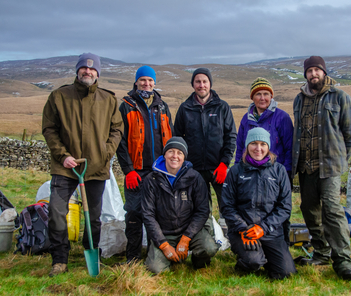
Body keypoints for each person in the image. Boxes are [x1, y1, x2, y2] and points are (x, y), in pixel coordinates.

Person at [42, 53, 123, 277]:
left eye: (92, 69)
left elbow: (117, 129)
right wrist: (62, 155)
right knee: (57, 212)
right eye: (84, 69)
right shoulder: (59, 96)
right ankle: (59, 259)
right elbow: (49, 129)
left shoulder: (108, 99)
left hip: (95, 167)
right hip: (65, 166)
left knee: (93, 216)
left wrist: (106, 152)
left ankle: (91, 252)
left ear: (98, 73)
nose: (88, 72)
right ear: (77, 71)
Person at [291, 56, 351, 280]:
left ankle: (343, 261)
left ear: (324, 72)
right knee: (309, 210)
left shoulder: (340, 97)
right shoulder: (299, 100)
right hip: (306, 167)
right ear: (305, 75)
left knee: (332, 211)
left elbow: (350, 134)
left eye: (316, 70)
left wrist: (339, 160)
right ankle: (321, 252)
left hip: (329, 167)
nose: (313, 74)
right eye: (309, 71)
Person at [221, 128, 296, 279]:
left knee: (286, 273)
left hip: (271, 231)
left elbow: (285, 207)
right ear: (247, 146)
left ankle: (267, 256)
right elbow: (226, 206)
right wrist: (242, 229)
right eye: (254, 143)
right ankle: (247, 262)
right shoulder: (235, 171)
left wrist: (264, 228)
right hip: (244, 231)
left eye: (263, 144)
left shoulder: (279, 171)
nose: (258, 148)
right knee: (253, 262)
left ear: (268, 147)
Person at [116, 65, 173, 263]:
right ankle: (132, 257)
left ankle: (153, 255)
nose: (146, 84)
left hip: (158, 171)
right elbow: (120, 141)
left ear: (154, 83)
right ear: (136, 82)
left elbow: (171, 139)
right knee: (134, 213)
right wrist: (128, 170)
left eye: (150, 81)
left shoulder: (162, 106)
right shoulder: (126, 106)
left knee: (155, 214)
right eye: (143, 80)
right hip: (136, 171)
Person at [141, 137, 220, 274]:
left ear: (184, 157)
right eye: (171, 151)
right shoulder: (151, 180)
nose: (175, 156)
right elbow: (148, 215)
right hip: (164, 233)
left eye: (180, 153)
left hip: (189, 230)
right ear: (164, 154)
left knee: (209, 248)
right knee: (154, 269)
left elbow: (202, 211)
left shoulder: (195, 178)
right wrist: (164, 245)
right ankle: (170, 256)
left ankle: (198, 259)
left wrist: (186, 238)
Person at [174, 68, 237, 232]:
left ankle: (232, 237)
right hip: (194, 170)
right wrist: (183, 165)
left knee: (228, 204)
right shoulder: (185, 108)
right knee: (200, 207)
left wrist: (224, 164)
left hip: (218, 168)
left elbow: (231, 137)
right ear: (193, 84)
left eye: (205, 81)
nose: (201, 85)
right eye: (198, 82)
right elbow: (178, 139)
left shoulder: (222, 107)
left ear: (210, 84)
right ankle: (207, 238)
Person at [235, 77, 294, 181]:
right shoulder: (246, 119)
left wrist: (286, 173)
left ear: (271, 96)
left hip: (275, 174)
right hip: (249, 174)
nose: (262, 98)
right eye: (258, 94)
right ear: (252, 97)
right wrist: (237, 170)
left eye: (266, 94)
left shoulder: (282, 117)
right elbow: (240, 147)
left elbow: (290, 148)